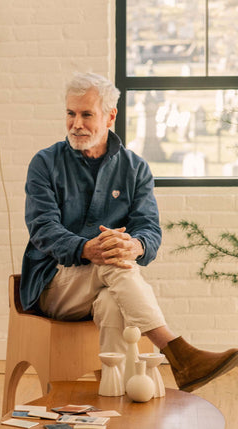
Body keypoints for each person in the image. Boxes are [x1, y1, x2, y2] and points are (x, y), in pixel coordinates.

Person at [20, 72, 238, 393]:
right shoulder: (45, 163)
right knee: (110, 256)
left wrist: (134, 245)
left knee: (111, 298)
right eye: (70, 113)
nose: (76, 123)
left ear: (111, 116)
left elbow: (149, 229)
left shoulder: (135, 168)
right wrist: (86, 248)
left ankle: (116, 397)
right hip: (54, 286)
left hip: (107, 284)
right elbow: (43, 229)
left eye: (86, 114)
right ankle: (178, 353)